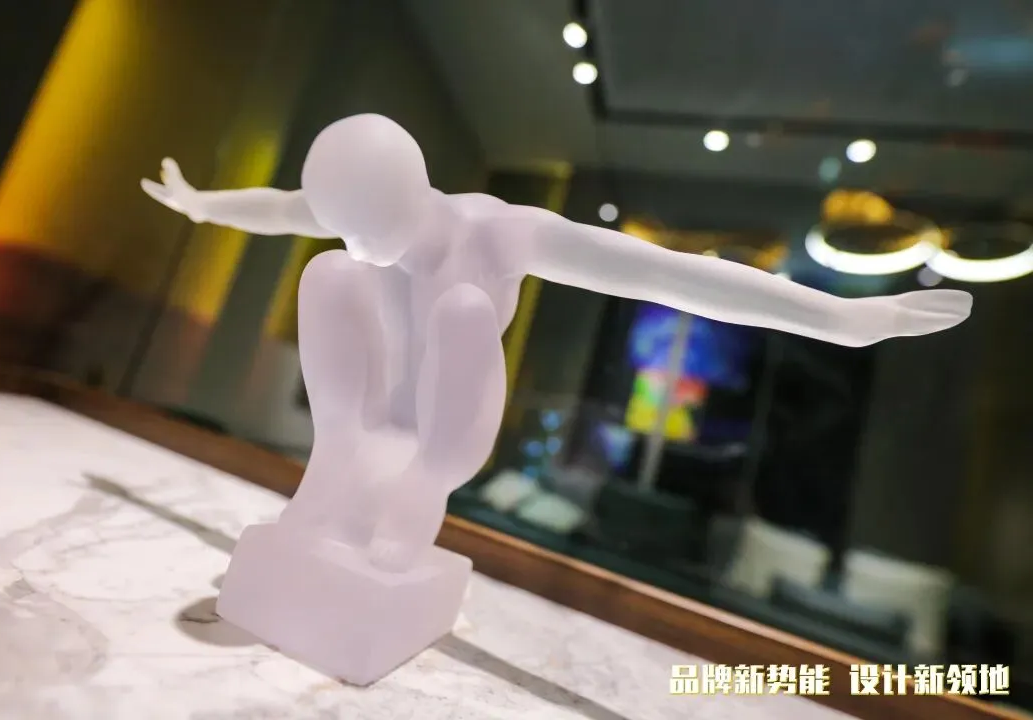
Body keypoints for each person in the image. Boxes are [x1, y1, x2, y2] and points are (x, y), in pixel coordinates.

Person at [142, 113, 971, 572]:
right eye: (347, 225)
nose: (362, 245)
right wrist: (202, 206)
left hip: (447, 428)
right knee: (327, 275)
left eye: (369, 227)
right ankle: (335, 464)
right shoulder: (355, 232)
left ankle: (416, 492)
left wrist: (842, 319)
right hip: (371, 411)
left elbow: (669, 276)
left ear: (412, 193)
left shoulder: (499, 235)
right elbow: (285, 209)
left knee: (461, 311)